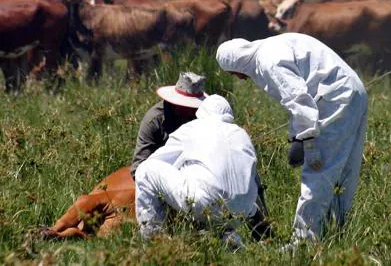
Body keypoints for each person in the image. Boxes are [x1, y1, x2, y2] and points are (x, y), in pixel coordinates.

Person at [216, 33, 368, 247]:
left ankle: (303, 243)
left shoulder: (268, 61)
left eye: (234, 73)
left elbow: (297, 97)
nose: (240, 79)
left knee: (317, 172)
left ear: (236, 65)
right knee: (342, 172)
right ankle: (335, 234)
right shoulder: (272, 46)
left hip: (334, 99)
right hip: (351, 91)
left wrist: (302, 139)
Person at [131, 72, 270, 240]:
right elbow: (252, 178)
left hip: (200, 202)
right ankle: (231, 239)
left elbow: (151, 165)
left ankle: (153, 240)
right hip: (240, 213)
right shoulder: (241, 134)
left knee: (147, 170)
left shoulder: (191, 129)